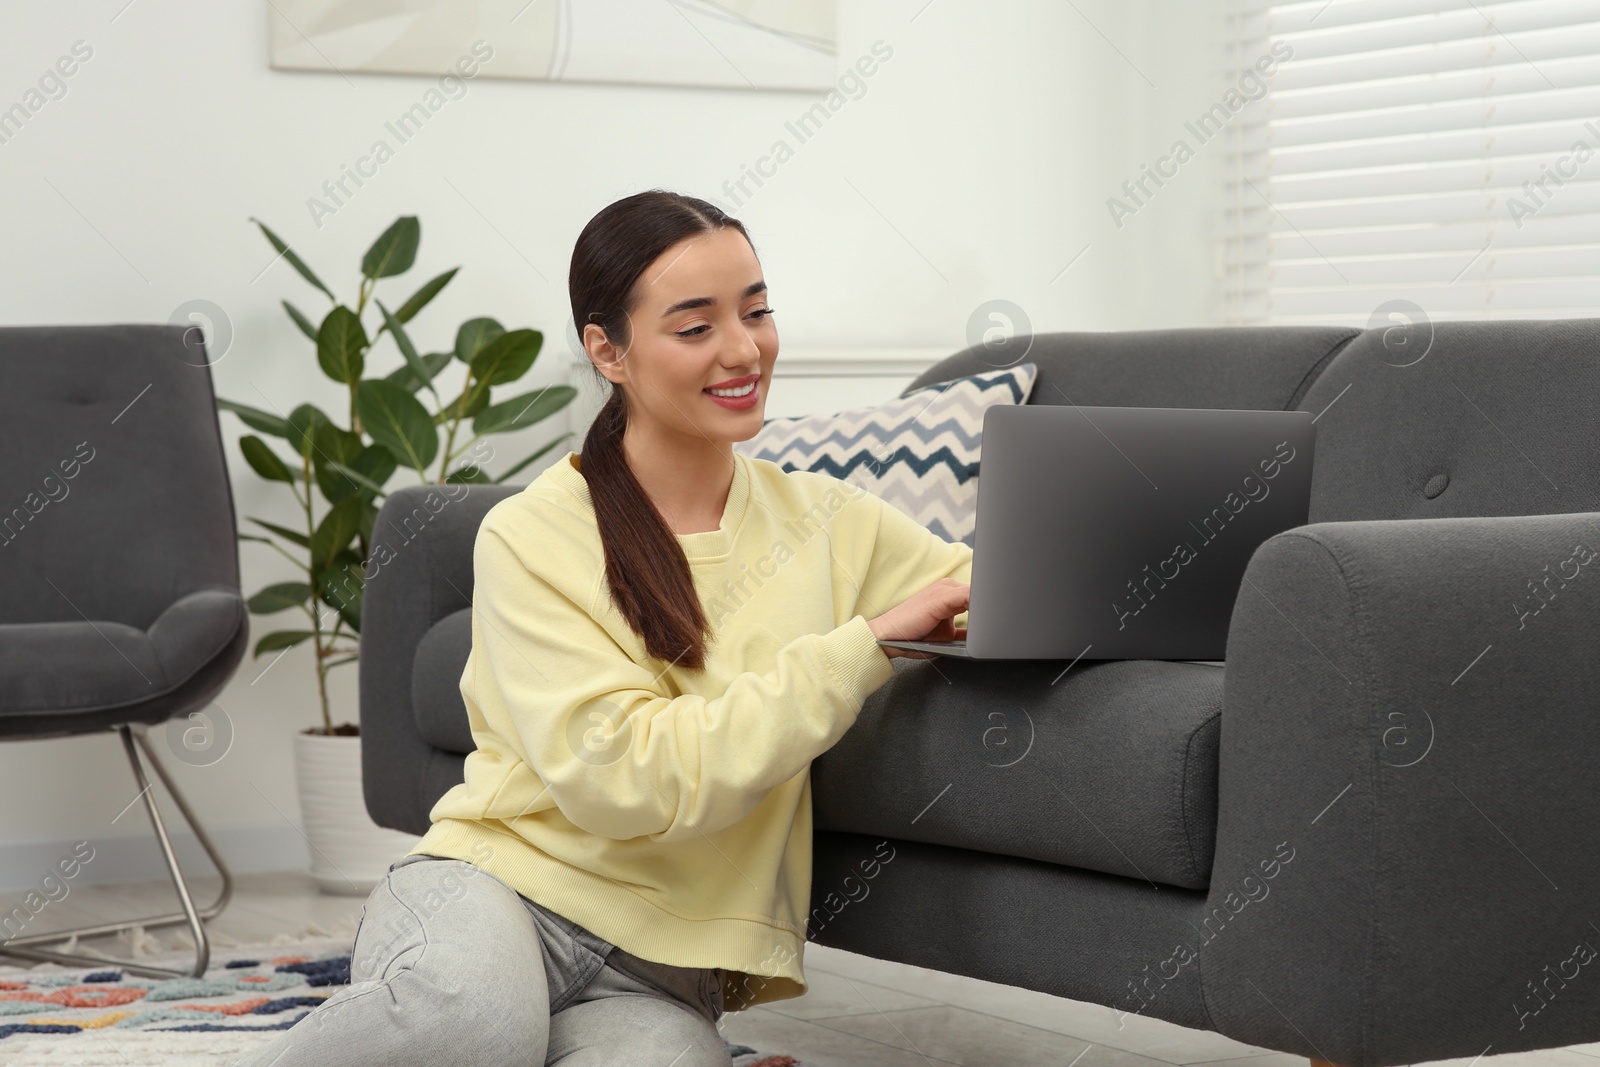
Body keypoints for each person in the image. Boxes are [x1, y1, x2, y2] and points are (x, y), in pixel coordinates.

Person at [232, 189, 972, 1066]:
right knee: (473, 1029)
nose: (744, 348)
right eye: (695, 327)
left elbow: (1000, 594)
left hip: (663, 974)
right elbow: (624, 776)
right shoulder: (536, 529)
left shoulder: (831, 520)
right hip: (497, 892)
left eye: (757, 310)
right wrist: (865, 646)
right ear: (606, 350)